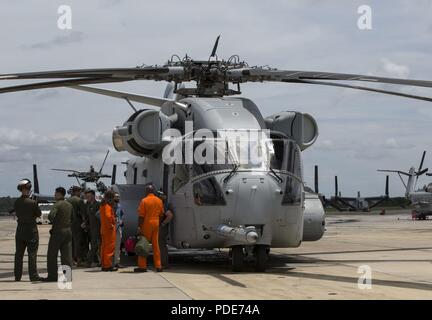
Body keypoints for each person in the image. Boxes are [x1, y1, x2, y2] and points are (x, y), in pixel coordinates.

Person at [13, 179, 43, 282]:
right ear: (28, 189)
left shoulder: (17, 202)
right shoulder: (32, 202)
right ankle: (33, 276)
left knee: (18, 255)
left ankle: (17, 276)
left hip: (20, 231)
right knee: (32, 254)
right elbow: (39, 214)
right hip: (31, 231)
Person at [44, 187, 73, 282]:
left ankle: (52, 276)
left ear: (59, 194)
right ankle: (67, 277)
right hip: (68, 231)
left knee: (52, 254)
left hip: (58, 231)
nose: (54, 195)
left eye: (55, 193)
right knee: (66, 255)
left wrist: (56, 222)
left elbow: (51, 216)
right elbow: (73, 218)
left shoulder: (57, 204)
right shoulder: (69, 205)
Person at [135, 185, 164, 273]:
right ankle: (158, 265)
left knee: (144, 243)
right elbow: (162, 214)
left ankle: (142, 266)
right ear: (154, 191)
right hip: (156, 222)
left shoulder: (144, 200)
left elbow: (141, 216)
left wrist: (139, 227)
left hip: (147, 223)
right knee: (156, 245)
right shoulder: (159, 201)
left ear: (147, 191)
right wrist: (158, 223)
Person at [67, 186, 87, 267]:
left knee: (70, 242)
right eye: (80, 192)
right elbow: (84, 212)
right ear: (77, 192)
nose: (80, 193)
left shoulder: (67, 200)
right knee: (78, 242)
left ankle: (71, 260)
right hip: (78, 223)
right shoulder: (79, 200)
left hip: (69, 223)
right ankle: (79, 260)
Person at [99, 189, 117, 271]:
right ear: (110, 198)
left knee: (104, 248)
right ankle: (108, 265)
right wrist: (111, 225)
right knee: (109, 248)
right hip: (108, 230)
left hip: (104, 229)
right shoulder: (107, 206)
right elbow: (107, 216)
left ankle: (104, 264)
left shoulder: (103, 205)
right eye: (113, 198)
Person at [84, 189, 101, 267]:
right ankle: (96, 261)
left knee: (95, 246)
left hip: (98, 229)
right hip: (91, 229)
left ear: (93, 196)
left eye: (89, 196)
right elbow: (88, 217)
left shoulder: (98, 205)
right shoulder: (88, 205)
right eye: (86, 196)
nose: (87, 198)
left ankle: (88, 261)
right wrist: (85, 223)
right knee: (95, 246)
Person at [157, 191, 174, 269]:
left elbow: (170, 216)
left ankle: (164, 263)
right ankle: (161, 262)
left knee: (161, 246)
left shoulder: (164, 205)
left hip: (161, 228)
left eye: (161, 195)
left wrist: (163, 224)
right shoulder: (164, 204)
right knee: (161, 245)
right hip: (162, 228)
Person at [113, 192, 125, 269]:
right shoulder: (109, 206)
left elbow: (123, 214)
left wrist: (122, 220)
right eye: (116, 196)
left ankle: (116, 262)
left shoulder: (119, 206)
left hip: (118, 228)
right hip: (110, 228)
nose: (117, 198)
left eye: (118, 197)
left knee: (117, 247)